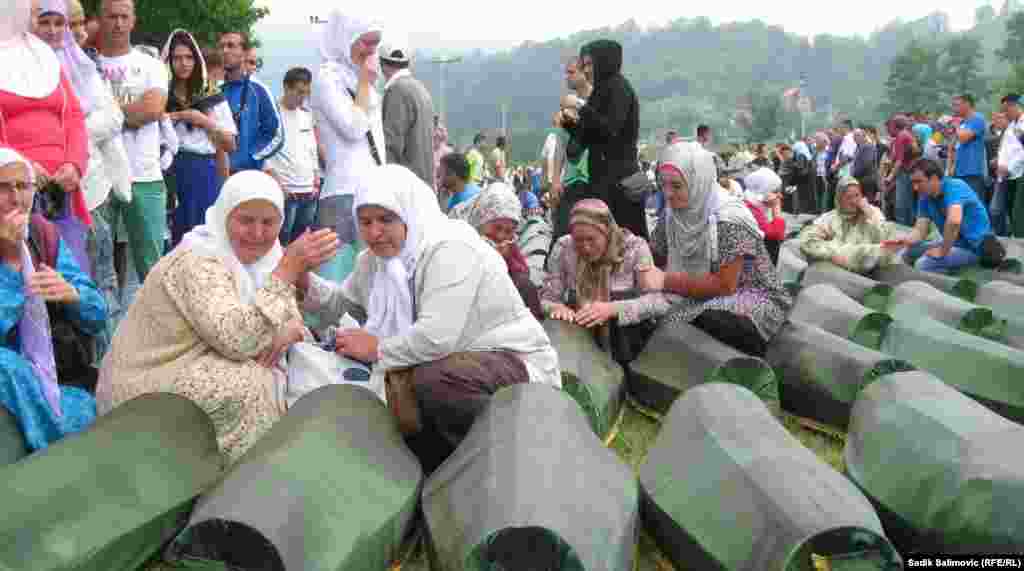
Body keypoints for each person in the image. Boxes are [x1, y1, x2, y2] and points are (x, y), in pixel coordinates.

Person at [298, 164, 560, 473]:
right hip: (450, 360)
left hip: (511, 363)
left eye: (386, 219)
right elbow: (343, 303)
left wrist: (377, 349)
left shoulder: (449, 249)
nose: (373, 232)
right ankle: (425, 462)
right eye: (365, 221)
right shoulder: (375, 261)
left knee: (434, 382)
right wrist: (303, 280)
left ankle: (486, 465)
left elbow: (438, 336)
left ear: (409, 213)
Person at [96, 171, 340, 463]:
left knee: (285, 375)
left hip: (197, 365)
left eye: (268, 222)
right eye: (246, 220)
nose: (258, 233)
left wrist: (288, 326)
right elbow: (238, 340)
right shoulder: (198, 259)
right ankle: (225, 478)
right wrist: (288, 271)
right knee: (250, 384)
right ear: (225, 216)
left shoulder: (268, 258)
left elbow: (288, 317)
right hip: (149, 382)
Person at [0, 147, 106, 452]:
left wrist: (72, 295)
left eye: (23, 186)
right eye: (3, 187)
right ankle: (58, 438)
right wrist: (10, 263)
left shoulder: (43, 235)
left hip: (59, 376)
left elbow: (97, 315)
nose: (16, 197)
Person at [645, 142, 792, 357]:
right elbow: (656, 252)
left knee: (705, 321)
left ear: (699, 182)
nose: (667, 193)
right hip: (698, 291)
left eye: (676, 186)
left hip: (750, 295)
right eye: (663, 185)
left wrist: (665, 281)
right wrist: (628, 249)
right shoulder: (673, 213)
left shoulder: (728, 219)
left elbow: (725, 285)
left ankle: (742, 374)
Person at [3, 0, 90, 258]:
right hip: (12, 190)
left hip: (59, 191)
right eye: (32, 16)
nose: (33, 23)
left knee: (71, 276)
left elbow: (74, 115)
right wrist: (22, 165)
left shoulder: (44, 57)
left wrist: (74, 164)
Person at [310, 8, 385, 285]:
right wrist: (365, 83)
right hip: (342, 194)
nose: (371, 51)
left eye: (376, 43)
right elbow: (353, 129)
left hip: (371, 190)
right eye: (366, 42)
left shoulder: (361, 79)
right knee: (336, 282)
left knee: (370, 283)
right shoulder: (327, 79)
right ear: (345, 38)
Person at [97, 0, 170, 284]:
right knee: (98, 266)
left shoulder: (151, 65)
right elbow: (80, 116)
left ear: (133, 20)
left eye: (123, 17)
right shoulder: (85, 64)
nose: (117, 23)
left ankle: (157, 327)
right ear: (100, 19)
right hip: (98, 177)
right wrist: (131, 112)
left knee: (151, 268)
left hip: (144, 175)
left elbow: (151, 110)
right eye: (111, 16)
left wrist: (103, 116)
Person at [541, 199, 661, 361]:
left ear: (607, 232)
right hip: (579, 343)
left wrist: (612, 309)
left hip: (627, 346)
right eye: (578, 240)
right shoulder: (564, 248)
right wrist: (556, 308)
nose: (585, 247)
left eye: (591, 239)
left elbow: (658, 302)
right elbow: (545, 300)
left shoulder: (634, 249)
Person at [557, 39, 645, 239]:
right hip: (602, 181)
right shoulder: (600, 91)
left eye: (589, 64)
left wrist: (580, 105)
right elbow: (589, 135)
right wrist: (568, 123)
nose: (586, 70)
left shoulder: (619, 88)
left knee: (626, 241)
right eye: (584, 65)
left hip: (621, 182)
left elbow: (610, 130)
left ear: (604, 62)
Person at [162, 29, 238, 247]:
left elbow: (229, 144)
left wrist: (203, 121)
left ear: (197, 60)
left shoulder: (210, 95)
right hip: (169, 173)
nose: (183, 63)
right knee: (173, 241)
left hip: (203, 173)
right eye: (177, 58)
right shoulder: (160, 94)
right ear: (168, 60)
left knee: (203, 241)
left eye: (189, 57)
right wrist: (181, 115)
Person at [883, 158, 997, 274]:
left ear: (934, 178)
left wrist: (942, 251)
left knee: (922, 264)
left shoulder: (954, 186)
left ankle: (953, 274)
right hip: (952, 244)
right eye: (913, 183)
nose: (915, 188)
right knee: (907, 251)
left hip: (975, 248)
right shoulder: (925, 197)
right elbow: (920, 231)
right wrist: (904, 241)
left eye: (919, 182)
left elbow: (954, 221)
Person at [450, 182, 543, 319]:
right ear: (481, 222)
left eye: (508, 231)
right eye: (497, 227)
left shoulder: (510, 245)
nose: (500, 236)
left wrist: (506, 259)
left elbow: (523, 271)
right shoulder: (462, 240)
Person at [263, 67, 321, 245]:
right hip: (286, 193)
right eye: (299, 92)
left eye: (306, 93)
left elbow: (312, 148)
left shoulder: (306, 115)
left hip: (309, 193)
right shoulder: (272, 115)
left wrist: (316, 176)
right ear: (286, 88)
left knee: (302, 244)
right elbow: (263, 154)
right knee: (281, 244)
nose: (303, 97)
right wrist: (279, 184)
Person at [218, 30, 283, 174]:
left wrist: (251, 157)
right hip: (215, 175)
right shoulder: (214, 89)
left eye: (231, 46)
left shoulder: (259, 89)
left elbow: (276, 134)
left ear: (245, 52)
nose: (224, 51)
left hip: (247, 175)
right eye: (221, 46)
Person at [799, 176, 895, 274]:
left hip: (872, 269)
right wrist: (832, 254)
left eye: (857, 195)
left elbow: (886, 241)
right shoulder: (831, 217)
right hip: (841, 270)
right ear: (839, 200)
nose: (854, 201)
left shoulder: (872, 212)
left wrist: (870, 216)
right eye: (849, 197)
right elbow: (807, 239)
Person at [378, 38, 434, 188]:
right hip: (425, 181)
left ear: (382, 64)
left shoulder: (396, 91)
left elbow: (391, 144)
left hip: (407, 186)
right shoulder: (420, 88)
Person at [741, 167, 786, 264]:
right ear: (762, 191)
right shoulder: (750, 209)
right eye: (775, 191)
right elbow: (777, 235)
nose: (780, 196)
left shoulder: (756, 203)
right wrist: (776, 206)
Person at [950, 94, 987, 198]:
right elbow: (953, 146)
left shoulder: (977, 119)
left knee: (974, 203)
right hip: (959, 171)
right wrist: (951, 167)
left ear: (967, 104)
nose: (954, 109)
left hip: (972, 171)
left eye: (957, 105)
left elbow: (963, 138)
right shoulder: (962, 123)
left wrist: (956, 126)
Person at [998, 94, 1024, 238]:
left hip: (1019, 172)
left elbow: (1022, 152)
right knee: (1011, 209)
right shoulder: (1011, 126)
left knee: (1018, 211)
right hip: (1010, 174)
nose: (1005, 114)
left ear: (1014, 105)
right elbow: (1004, 149)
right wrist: (1001, 165)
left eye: (1006, 110)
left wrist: (1009, 167)